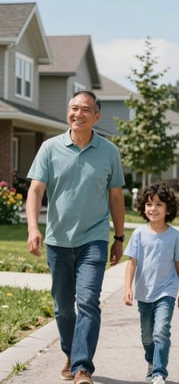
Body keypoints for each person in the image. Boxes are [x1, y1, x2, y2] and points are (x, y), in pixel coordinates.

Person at [26, 90, 125, 384]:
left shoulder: (109, 152)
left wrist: (118, 238)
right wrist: (33, 228)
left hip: (94, 238)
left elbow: (116, 198)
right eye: (73, 108)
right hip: (58, 240)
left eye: (85, 109)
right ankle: (71, 351)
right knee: (62, 306)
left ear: (97, 116)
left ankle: (82, 367)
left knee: (89, 301)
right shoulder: (50, 148)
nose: (77, 114)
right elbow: (35, 191)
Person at [124, 182, 179, 384]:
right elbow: (132, 264)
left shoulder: (175, 236)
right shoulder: (139, 235)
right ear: (143, 207)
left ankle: (159, 372)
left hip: (166, 292)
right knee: (147, 337)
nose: (154, 208)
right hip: (144, 292)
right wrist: (127, 288)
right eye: (149, 204)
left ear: (169, 208)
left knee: (161, 331)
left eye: (159, 204)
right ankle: (151, 361)